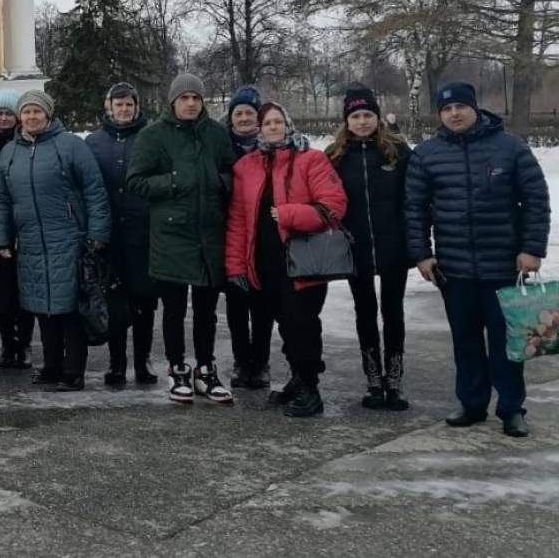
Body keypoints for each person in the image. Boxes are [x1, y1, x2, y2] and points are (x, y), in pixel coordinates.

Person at [406, 82, 549, 438]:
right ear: (440, 114)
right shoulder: (427, 154)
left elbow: (536, 200)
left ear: (475, 109)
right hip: (452, 268)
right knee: (465, 342)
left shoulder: (510, 148)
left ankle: (511, 408)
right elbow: (414, 209)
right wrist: (422, 254)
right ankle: (471, 404)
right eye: (447, 109)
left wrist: (532, 248)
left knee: (509, 343)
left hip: (503, 265)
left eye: (460, 107)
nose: (454, 114)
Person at [225, 102, 347, 418]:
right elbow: (238, 219)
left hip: (303, 263)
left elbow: (334, 205)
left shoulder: (312, 160)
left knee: (302, 325)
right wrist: (237, 264)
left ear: (288, 125)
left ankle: (310, 387)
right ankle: (297, 379)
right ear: (259, 129)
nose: (273, 127)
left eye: (279, 121)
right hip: (264, 263)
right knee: (284, 325)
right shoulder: (246, 167)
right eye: (267, 123)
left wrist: (291, 214)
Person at [127, 73, 235, 405]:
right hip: (171, 235)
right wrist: (174, 181)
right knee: (173, 310)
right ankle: (178, 370)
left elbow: (232, 171)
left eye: (196, 98)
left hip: (209, 234)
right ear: (173, 101)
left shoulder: (216, 134)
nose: (191, 103)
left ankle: (206, 369)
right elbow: (136, 181)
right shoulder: (153, 136)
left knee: (206, 310)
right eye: (185, 98)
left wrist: (219, 182)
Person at [0, 90, 111, 391]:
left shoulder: (70, 145)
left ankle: (73, 371)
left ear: (48, 114)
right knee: (42, 306)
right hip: (30, 241)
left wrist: (98, 233)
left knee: (69, 306)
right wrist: (2, 238)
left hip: (68, 238)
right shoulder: (10, 152)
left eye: (37, 112)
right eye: (27, 112)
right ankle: (51, 365)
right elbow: (2, 200)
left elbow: (94, 190)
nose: (32, 117)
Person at [324, 86, 413, 410]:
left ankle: (394, 379)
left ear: (378, 118)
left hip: (393, 247)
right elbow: (326, 200)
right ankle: (373, 379)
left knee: (393, 312)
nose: (362, 121)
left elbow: (413, 198)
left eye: (368, 115)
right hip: (355, 248)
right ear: (347, 121)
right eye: (355, 116)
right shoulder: (334, 156)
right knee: (365, 312)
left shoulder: (398, 152)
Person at [87, 82, 160, 387]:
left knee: (144, 301)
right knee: (115, 301)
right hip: (110, 236)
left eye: (129, 104)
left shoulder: (152, 137)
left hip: (143, 233)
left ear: (136, 106)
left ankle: (142, 360)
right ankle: (117, 363)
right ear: (109, 107)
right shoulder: (94, 142)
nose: (124, 110)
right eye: (118, 105)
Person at [222, 84, 274, 389]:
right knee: (237, 303)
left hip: (265, 234)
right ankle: (242, 361)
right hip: (231, 231)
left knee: (263, 303)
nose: (243, 118)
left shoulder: (271, 146)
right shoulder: (222, 147)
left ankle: (261, 360)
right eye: (238, 113)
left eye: (249, 113)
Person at [0, 88, 35, 368]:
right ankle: (6, 343)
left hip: (23, 224)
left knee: (23, 288)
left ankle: (24, 343)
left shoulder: (25, 142)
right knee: (1, 290)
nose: (3, 119)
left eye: (8, 114)